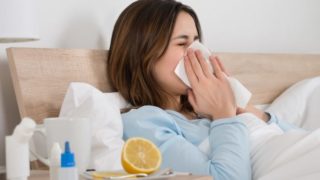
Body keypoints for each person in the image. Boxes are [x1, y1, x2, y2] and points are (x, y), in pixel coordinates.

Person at [106, 0, 300, 179]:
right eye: (182, 43)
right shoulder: (144, 122)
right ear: (142, 54)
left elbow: (300, 140)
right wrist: (224, 116)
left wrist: (242, 106)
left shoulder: (205, 109)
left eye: (197, 42)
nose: (197, 52)